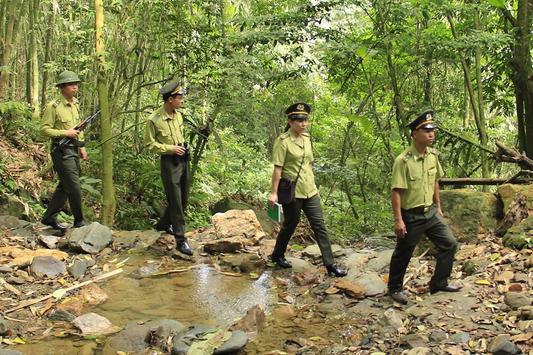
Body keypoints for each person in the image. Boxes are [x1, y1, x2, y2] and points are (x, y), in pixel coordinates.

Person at [388, 108, 461, 304]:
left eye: (432, 130)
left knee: (449, 244)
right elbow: (396, 191)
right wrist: (398, 220)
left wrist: (438, 205)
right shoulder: (403, 161)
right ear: (414, 134)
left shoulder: (432, 156)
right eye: (426, 131)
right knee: (404, 252)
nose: (431, 134)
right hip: (411, 215)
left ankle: (439, 282)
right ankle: (394, 288)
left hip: (430, 212)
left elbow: (435, 181)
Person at [268, 102, 347, 277]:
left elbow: (309, 164)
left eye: (305, 120)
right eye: (299, 120)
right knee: (290, 224)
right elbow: (278, 168)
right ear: (290, 121)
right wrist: (273, 193)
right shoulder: (283, 142)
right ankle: (277, 254)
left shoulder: (307, 139)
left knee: (319, 225)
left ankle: (330, 264)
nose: (303, 123)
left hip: (310, 190)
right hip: (292, 191)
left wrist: (314, 185)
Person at [144, 80, 193, 256]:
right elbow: (149, 144)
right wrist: (170, 149)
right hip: (169, 162)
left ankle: (163, 224)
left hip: (183, 160)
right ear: (170, 99)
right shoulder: (154, 120)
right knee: (176, 201)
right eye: (179, 97)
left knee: (183, 198)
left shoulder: (179, 116)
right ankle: (181, 240)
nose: (182, 100)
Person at [40, 70, 88, 229]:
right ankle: (79, 221)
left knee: (65, 185)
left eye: (76, 84)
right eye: (71, 84)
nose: (75, 87)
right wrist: (64, 132)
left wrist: (82, 146)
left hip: (74, 149)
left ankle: (49, 217)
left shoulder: (76, 104)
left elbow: (79, 127)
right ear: (62, 87)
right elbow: (44, 129)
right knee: (73, 186)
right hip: (60, 151)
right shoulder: (53, 107)